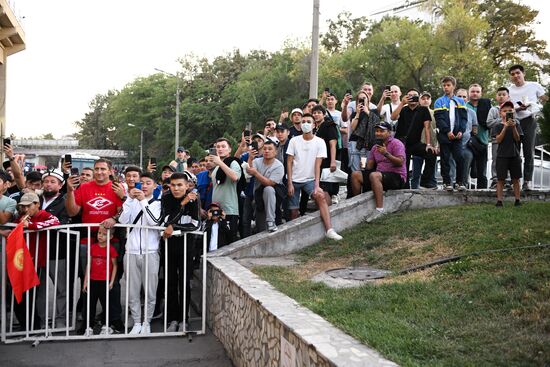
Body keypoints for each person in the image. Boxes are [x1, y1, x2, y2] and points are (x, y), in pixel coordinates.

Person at [65, 158, 125, 333]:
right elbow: (72, 211)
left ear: (110, 171)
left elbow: (126, 210)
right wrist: (70, 191)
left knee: (112, 283)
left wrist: (113, 218)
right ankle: (88, 321)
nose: (99, 172)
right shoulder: (84, 187)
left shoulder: (116, 188)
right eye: (96, 169)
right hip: (88, 242)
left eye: (103, 169)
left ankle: (113, 319)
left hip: (112, 242)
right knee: (88, 282)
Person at [286, 114, 343, 241]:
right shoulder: (294, 141)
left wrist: (317, 186)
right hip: (294, 180)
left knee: (321, 196)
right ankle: (295, 237)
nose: (305, 124)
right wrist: (289, 182)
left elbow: (318, 165)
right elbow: (289, 162)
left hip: (310, 180)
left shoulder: (320, 142)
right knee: (294, 211)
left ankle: (329, 229)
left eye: (308, 121)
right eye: (303, 121)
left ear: (314, 125)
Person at [118, 172, 162, 335]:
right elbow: (122, 221)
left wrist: (143, 200)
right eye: (141, 182)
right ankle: (136, 321)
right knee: (132, 290)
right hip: (131, 251)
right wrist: (129, 199)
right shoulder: (132, 202)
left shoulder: (158, 203)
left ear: (155, 186)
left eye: (148, 182)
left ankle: (147, 321)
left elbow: (154, 222)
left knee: (150, 290)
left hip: (150, 252)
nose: (143, 186)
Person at [161, 172, 200, 332]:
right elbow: (166, 221)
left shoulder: (194, 199)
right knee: (170, 283)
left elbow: (195, 225)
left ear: (187, 185)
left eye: (180, 185)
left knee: (184, 284)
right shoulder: (166, 198)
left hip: (186, 247)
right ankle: (172, 319)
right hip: (168, 247)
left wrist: (174, 227)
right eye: (173, 185)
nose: (176, 188)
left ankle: (184, 319)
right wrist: (183, 203)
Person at [508, 64, 548, 191]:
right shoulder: (509, 90)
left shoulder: (534, 85)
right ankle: (514, 181)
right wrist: (517, 108)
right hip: (515, 122)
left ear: (523, 73)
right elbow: (506, 107)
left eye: (517, 73)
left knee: (528, 152)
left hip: (530, 120)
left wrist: (536, 108)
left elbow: (545, 100)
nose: (515, 76)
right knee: (513, 153)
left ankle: (527, 181)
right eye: (513, 74)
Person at [350, 122, 407, 212]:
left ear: (389, 132)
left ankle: (379, 209)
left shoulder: (396, 143)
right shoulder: (375, 147)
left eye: (381, 131)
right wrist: (363, 166)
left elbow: (400, 162)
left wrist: (386, 153)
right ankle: (358, 204)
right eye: (376, 131)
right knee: (355, 174)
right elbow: (369, 167)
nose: (378, 133)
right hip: (380, 175)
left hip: (397, 176)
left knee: (374, 175)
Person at [81, 226, 118, 336]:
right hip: (93, 280)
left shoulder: (111, 249)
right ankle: (89, 327)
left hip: (105, 281)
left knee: (106, 305)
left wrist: (111, 282)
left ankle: (106, 326)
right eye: (99, 233)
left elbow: (115, 266)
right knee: (90, 305)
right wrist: (85, 281)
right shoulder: (93, 247)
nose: (100, 236)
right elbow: (89, 264)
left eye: (104, 234)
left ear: (110, 237)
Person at [434, 76, 468, 192]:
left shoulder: (460, 101)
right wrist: (447, 131)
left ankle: (460, 182)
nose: (446, 87)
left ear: (453, 86)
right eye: (444, 85)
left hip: (457, 136)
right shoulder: (439, 101)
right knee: (445, 159)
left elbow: (464, 119)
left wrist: (461, 131)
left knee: (460, 158)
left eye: (448, 85)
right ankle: (446, 182)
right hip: (445, 136)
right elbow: (439, 119)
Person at [247, 140, 285, 232]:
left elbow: (270, 183)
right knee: (261, 229)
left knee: (268, 189)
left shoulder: (279, 166)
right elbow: (248, 172)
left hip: (275, 196)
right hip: (258, 196)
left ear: (275, 152)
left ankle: (271, 221)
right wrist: (250, 159)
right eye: (264, 149)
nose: (266, 151)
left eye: (270, 149)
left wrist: (256, 173)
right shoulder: (257, 161)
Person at [210, 138, 242, 243]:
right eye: (218, 147)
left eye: (223, 146)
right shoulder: (216, 167)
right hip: (215, 209)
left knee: (229, 241)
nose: (220, 149)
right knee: (217, 241)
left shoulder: (233, 162)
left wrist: (220, 163)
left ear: (229, 150)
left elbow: (235, 177)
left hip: (229, 209)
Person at [494, 101, 523, 206]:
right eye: (505, 111)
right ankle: (499, 201)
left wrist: (513, 127)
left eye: (510, 111)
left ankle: (517, 200)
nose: (507, 112)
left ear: (514, 112)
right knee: (501, 179)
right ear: (500, 113)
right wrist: (505, 127)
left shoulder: (517, 124)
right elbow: (498, 140)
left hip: (514, 155)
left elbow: (517, 138)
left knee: (516, 179)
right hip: (502, 155)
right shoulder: (498, 125)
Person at [465, 83, 492, 189]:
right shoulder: (464, 106)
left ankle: (483, 192)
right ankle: (463, 191)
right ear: (468, 93)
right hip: (467, 141)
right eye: (472, 91)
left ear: (481, 93)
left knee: (482, 171)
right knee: (465, 168)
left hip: (483, 141)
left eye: (477, 91)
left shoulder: (487, 106)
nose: (475, 94)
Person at [411, 92, 439, 189]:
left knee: (432, 171)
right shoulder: (415, 112)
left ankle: (432, 188)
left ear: (431, 100)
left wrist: (437, 145)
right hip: (419, 145)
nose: (425, 100)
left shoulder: (435, 113)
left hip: (432, 146)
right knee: (416, 172)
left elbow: (438, 130)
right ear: (419, 100)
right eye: (423, 98)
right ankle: (414, 190)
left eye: (428, 98)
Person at [348, 91, 380, 172]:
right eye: (360, 99)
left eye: (364, 98)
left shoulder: (373, 112)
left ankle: (364, 184)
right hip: (355, 143)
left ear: (368, 100)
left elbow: (377, 123)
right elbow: (353, 127)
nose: (362, 100)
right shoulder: (355, 113)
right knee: (355, 170)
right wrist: (358, 114)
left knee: (365, 169)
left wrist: (367, 112)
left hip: (368, 144)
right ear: (357, 101)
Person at [487, 87, 511, 188]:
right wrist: (501, 119)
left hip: (509, 139)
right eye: (499, 94)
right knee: (496, 159)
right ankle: (495, 180)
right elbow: (489, 123)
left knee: (509, 159)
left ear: (508, 96)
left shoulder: (511, 109)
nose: (501, 96)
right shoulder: (493, 109)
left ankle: (508, 181)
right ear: (496, 97)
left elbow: (515, 123)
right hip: (496, 139)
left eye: (503, 94)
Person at [454, 89, 478, 188]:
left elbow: (475, 128)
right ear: (455, 98)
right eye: (459, 96)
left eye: (464, 97)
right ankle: (451, 183)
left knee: (467, 157)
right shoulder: (451, 110)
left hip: (466, 145)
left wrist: (471, 136)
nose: (462, 98)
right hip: (453, 143)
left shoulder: (471, 112)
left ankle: (463, 184)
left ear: (467, 99)